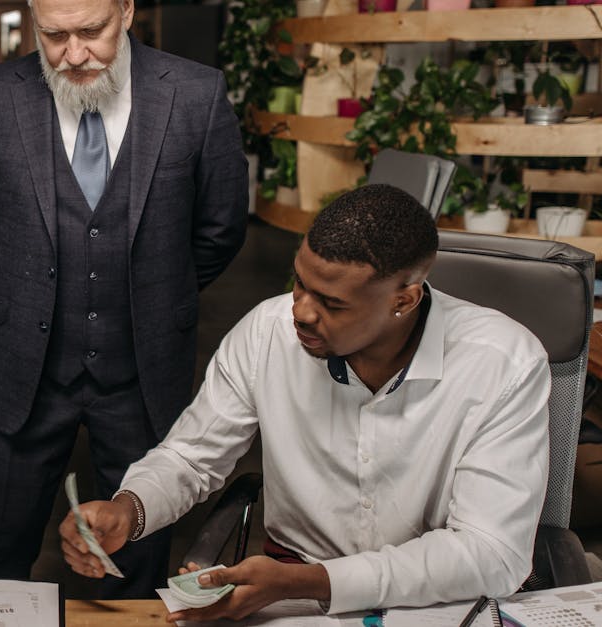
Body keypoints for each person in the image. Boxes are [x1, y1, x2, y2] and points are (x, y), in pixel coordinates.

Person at [60, 184, 550, 620]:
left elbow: (492, 553)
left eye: (333, 303)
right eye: (299, 283)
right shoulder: (266, 332)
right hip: (294, 600)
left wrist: (315, 582)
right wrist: (131, 507)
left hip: (438, 603)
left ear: (404, 300)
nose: (301, 311)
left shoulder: (503, 362)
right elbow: (191, 457)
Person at [0, 0, 248, 598]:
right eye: (53, 35)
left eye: (91, 31)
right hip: (24, 374)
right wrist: (26, 296)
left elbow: (218, 232)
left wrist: (153, 299)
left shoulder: (196, 94)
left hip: (142, 371)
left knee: (135, 563)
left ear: (127, 11)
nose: (74, 54)